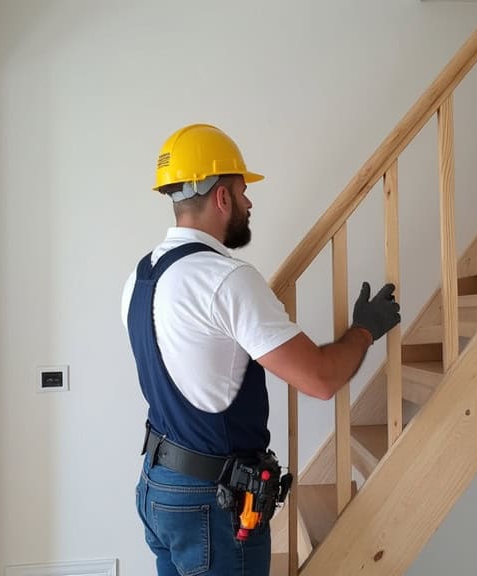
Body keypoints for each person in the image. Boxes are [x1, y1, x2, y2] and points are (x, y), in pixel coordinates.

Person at [122, 124, 400, 576]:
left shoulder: (141, 277)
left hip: (158, 488)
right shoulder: (226, 279)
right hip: (210, 503)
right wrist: (364, 330)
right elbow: (321, 379)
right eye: (242, 190)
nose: (249, 203)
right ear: (222, 198)